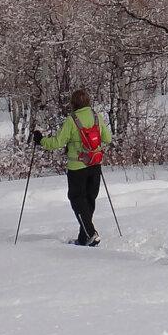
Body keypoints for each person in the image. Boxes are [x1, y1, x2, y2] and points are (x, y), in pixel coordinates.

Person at [32, 88, 112, 246]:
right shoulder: (97, 116)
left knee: (77, 199)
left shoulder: (72, 120)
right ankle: (84, 237)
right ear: (88, 101)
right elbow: (107, 138)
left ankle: (90, 234)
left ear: (73, 104)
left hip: (77, 166)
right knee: (89, 200)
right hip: (95, 164)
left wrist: (40, 140)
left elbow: (57, 142)